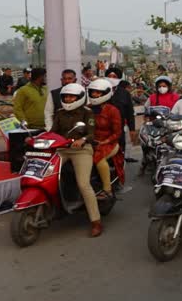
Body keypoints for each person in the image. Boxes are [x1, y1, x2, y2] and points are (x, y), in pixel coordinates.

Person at [50, 83, 102, 237]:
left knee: (83, 184)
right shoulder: (59, 113)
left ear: (79, 98)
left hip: (81, 150)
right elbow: (53, 131)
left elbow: (92, 133)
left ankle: (96, 221)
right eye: (66, 96)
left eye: (71, 96)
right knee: (48, 175)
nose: (68, 99)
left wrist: (83, 139)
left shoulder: (87, 113)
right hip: (62, 149)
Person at [88, 79, 124, 197]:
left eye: (98, 92)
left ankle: (107, 189)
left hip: (109, 143)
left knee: (98, 158)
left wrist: (104, 141)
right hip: (90, 142)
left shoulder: (112, 110)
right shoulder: (87, 109)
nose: (94, 95)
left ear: (105, 93)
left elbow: (117, 133)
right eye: (93, 92)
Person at [105, 67, 136, 159]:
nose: (111, 78)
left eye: (114, 76)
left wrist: (132, 129)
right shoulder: (100, 91)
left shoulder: (124, 93)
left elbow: (130, 112)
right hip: (103, 129)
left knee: (119, 152)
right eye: (109, 76)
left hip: (119, 128)